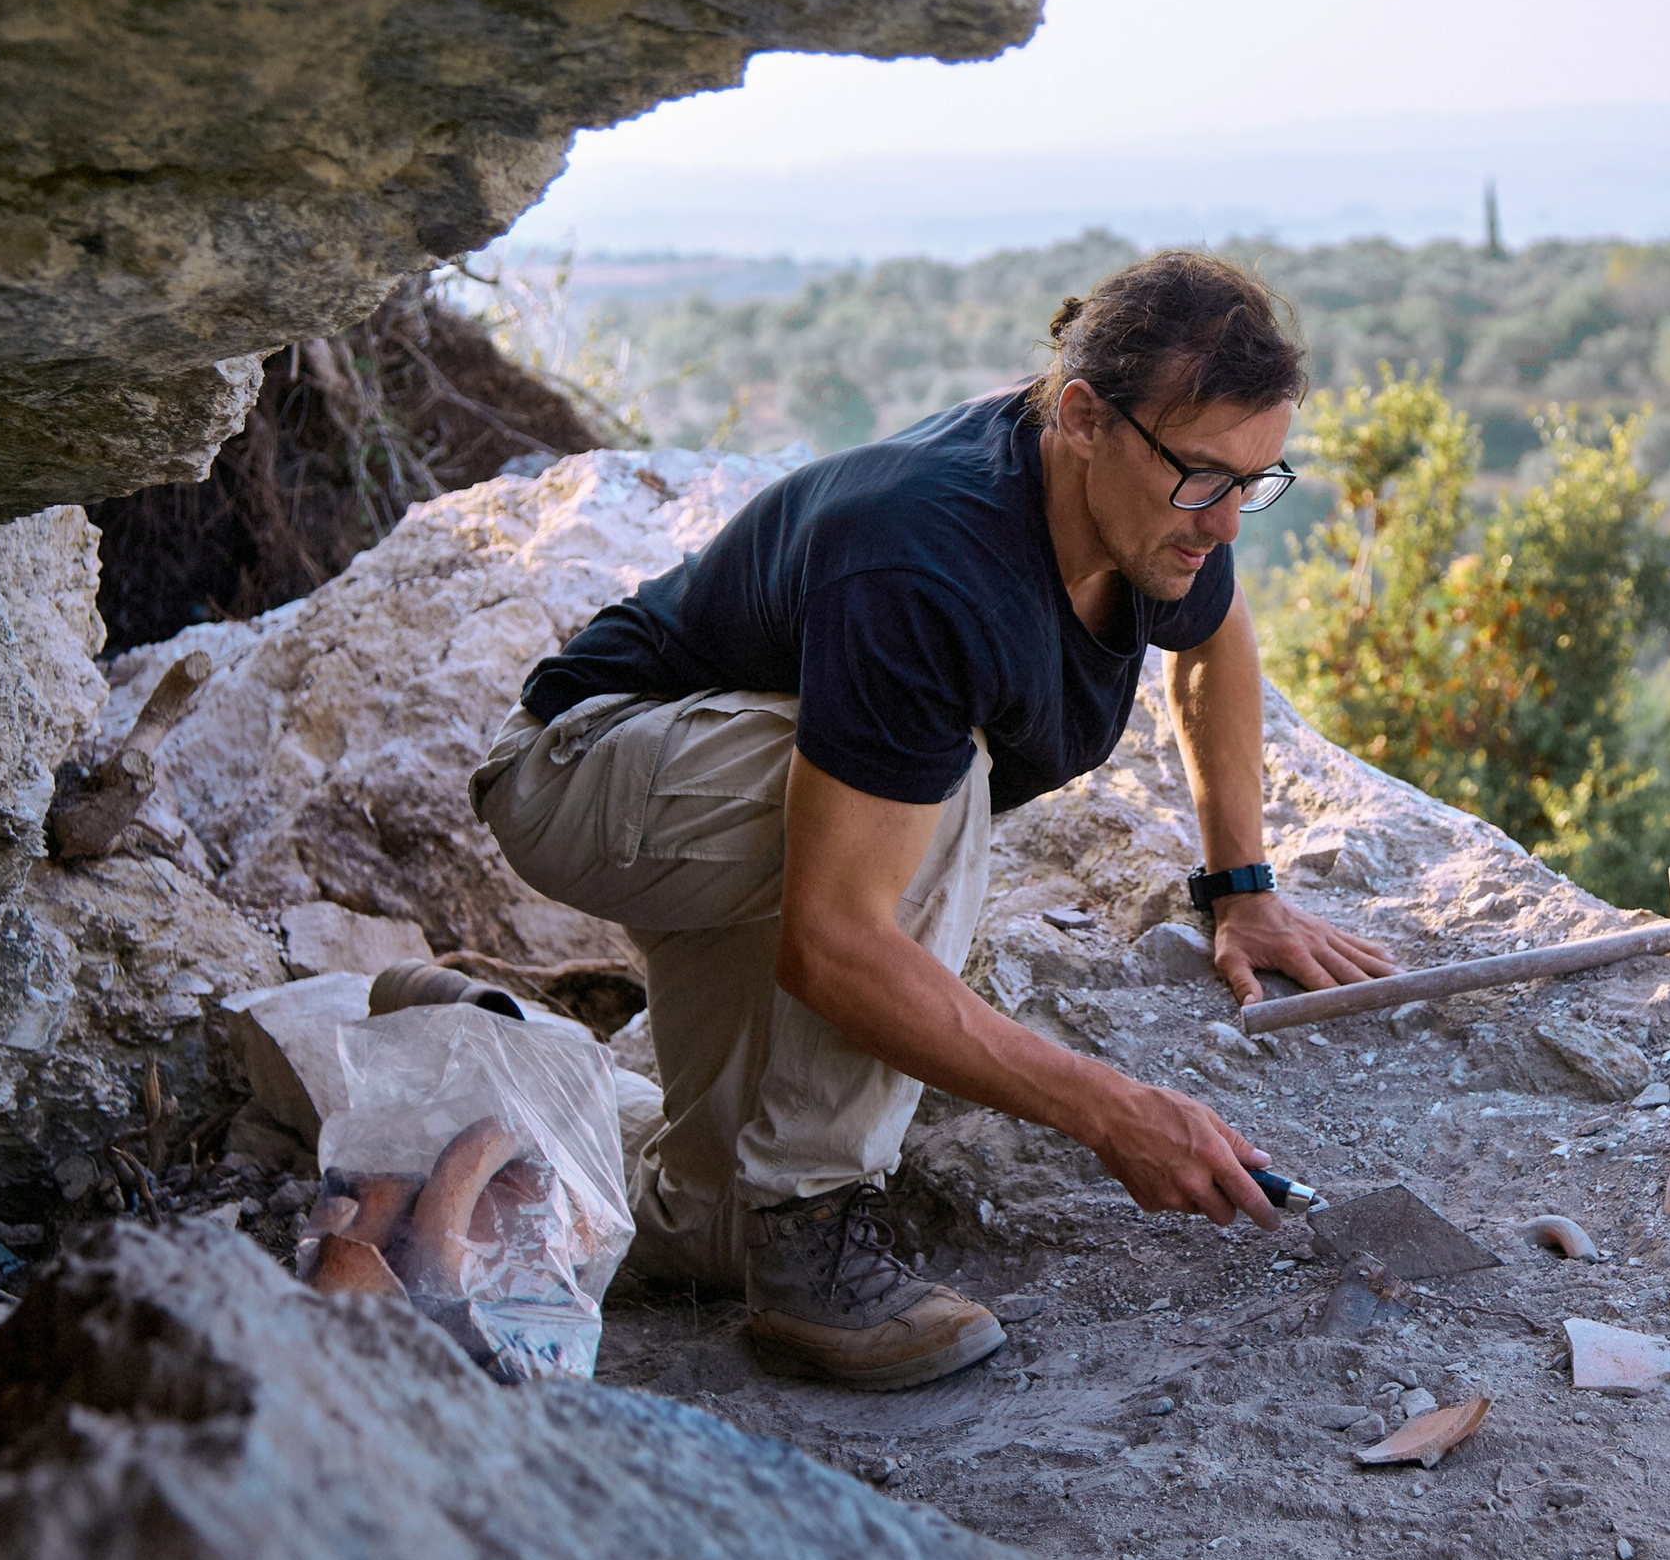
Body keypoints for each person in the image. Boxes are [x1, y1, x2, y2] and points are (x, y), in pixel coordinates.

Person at [470, 251, 1396, 1391]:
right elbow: (834, 944)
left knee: (710, 1227)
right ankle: (812, 1233)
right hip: (587, 767)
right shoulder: (928, 562)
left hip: (759, 800)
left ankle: (479, 1058)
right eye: (1204, 477)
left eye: (1255, 481)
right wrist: (1114, 1113)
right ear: (1082, 418)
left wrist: (1241, 890)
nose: (1227, 523)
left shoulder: (1154, 517)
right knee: (935, 780)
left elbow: (1216, 636)